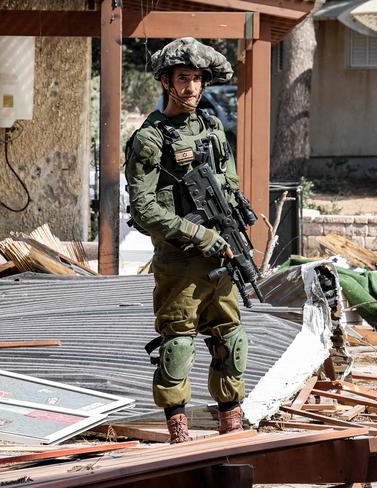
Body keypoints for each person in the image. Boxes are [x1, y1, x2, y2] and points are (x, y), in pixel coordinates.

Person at [125, 38, 247, 444]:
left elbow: (228, 184)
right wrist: (198, 234)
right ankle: (179, 433)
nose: (192, 88)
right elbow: (143, 209)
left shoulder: (212, 129)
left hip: (221, 253)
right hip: (180, 261)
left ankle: (232, 426)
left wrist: (230, 231)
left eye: (198, 79)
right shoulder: (150, 139)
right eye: (184, 79)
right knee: (178, 343)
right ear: (165, 81)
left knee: (231, 338)